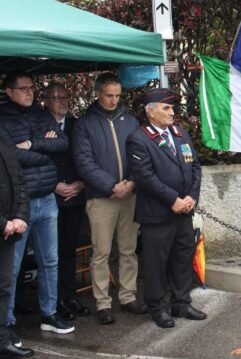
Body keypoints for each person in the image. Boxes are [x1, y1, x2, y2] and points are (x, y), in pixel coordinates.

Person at [0, 72, 74, 339]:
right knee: (12, 267)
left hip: (47, 199)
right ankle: (6, 324)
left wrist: (32, 144)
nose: (29, 93)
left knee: (50, 261)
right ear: (8, 91)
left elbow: (62, 143)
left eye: (32, 88)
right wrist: (45, 150)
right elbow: (9, 155)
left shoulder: (40, 113)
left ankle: (49, 314)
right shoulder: (3, 117)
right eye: (23, 89)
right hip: (19, 205)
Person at [126, 88, 205, 329]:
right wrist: (173, 199)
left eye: (172, 108)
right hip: (158, 214)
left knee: (183, 257)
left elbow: (196, 167)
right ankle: (158, 307)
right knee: (156, 264)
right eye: (166, 108)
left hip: (185, 211)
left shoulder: (180, 134)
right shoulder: (139, 139)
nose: (172, 112)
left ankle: (181, 302)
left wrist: (191, 197)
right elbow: (145, 177)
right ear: (150, 112)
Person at [74, 73, 146, 325]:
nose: (114, 100)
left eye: (118, 95)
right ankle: (103, 303)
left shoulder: (130, 120)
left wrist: (132, 182)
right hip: (101, 198)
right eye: (109, 95)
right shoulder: (84, 124)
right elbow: (84, 163)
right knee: (101, 252)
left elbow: (141, 154)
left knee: (129, 250)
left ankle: (128, 296)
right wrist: (112, 186)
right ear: (97, 93)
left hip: (130, 194)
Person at [42, 83, 90, 321]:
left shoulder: (76, 125)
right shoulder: (40, 125)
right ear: (46, 101)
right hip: (50, 195)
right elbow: (36, 160)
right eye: (55, 97)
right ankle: (54, 301)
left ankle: (70, 296)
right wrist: (55, 186)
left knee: (68, 250)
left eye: (64, 96)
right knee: (50, 254)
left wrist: (81, 183)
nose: (61, 101)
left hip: (75, 196)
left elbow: (86, 156)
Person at [0, 140, 34, 358]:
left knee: (3, 287)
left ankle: (2, 341)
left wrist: (20, 217)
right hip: (5, 227)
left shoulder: (3, 142)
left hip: (8, 233)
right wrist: (3, 223)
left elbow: (20, 182)